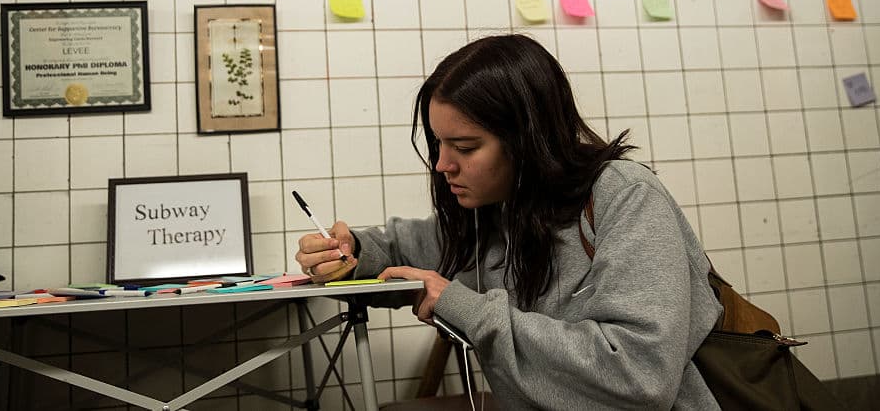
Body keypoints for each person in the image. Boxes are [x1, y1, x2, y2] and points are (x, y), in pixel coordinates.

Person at [296, 34, 721, 410]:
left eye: (464, 146)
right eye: (438, 143)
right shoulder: (492, 211)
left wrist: (463, 306)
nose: (443, 164)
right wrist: (349, 248)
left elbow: (641, 377)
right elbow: (402, 247)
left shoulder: (624, 194)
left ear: (528, 139)